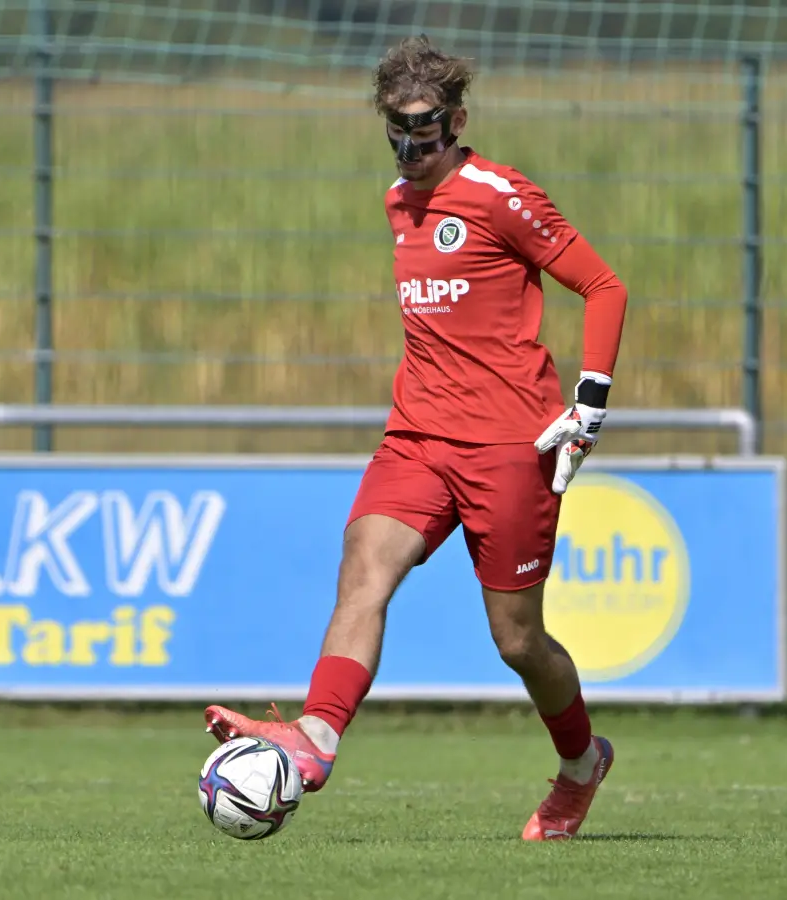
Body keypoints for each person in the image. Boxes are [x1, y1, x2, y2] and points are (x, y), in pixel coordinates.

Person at [202, 34, 631, 842]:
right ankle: (318, 742)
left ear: (457, 119)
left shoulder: (501, 195)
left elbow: (604, 286)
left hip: (509, 446)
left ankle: (581, 765)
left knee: (517, 640)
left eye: (425, 126)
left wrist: (591, 401)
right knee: (363, 568)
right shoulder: (398, 199)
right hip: (417, 436)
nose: (409, 144)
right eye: (395, 128)